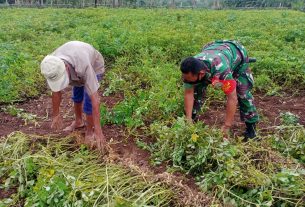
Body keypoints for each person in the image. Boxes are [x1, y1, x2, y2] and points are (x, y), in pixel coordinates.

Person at [180, 40, 259, 140]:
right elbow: (188, 93)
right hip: (214, 48)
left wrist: (227, 126)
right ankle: (192, 117)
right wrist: (188, 119)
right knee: (196, 89)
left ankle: (251, 128)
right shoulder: (189, 69)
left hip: (236, 53)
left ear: (201, 73)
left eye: (189, 79)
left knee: (242, 93)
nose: (186, 80)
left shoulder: (221, 71)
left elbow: (232, 98)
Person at [40, 41, 106, 150]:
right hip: (74, 64)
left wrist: (98, 131)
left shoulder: (84, 67)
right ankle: (78, 121)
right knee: (77, 94)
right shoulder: (51, 65)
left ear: (65, 68)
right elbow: (56, 91)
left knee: (88, 101)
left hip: (94, 65)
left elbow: (95, 101)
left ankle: (90, 131)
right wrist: (56, 115)